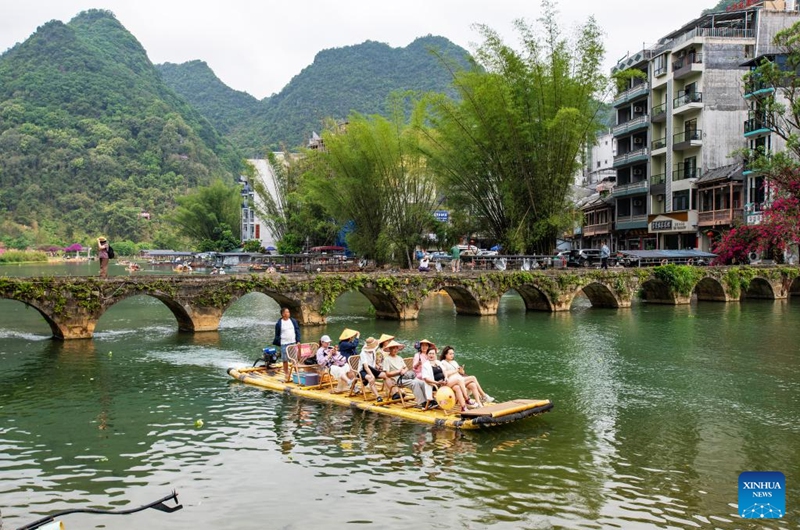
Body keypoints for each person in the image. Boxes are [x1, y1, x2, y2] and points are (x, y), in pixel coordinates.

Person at [381, 339, 426, 403]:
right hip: (397, 379)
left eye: (396, 348)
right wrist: (399, 371)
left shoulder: (399, 358)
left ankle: (428, 401)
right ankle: (422, 402)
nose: (395, 350)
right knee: (415, 383)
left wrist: (404, 371)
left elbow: (406, 368)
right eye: (393, 348)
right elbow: (387, 374)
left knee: (422, 382)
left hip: (405, 376)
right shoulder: (387, 359)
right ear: (390, 349)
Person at [272, 307, 301, 383]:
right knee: (285, 359)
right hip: (284, 343)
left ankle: (296, 372)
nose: (288, 313)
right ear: (283, 314)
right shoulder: (279, 324)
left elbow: (297, 330)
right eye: (287, 312)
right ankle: (286, 373)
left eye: (288, 312)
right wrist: (279, 342)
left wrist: (298, 340)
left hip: (292, 342)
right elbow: (277, 334)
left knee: (294, 359)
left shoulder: (293, 321)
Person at [357, 336, 386, 402]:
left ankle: (392, 392)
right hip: (362, 371)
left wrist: (378, 366)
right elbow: (366, 367)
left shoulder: (373, 351)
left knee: (385, 375)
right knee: (371, 378)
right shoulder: (363, 353)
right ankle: (378, 396)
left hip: (371, 368)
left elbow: (373, 362)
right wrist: (372, 375)